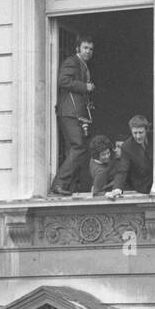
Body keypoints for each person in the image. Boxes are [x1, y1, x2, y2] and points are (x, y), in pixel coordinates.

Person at [49, 36, 95, 196]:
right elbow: (63, 81)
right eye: (85, 48)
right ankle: (59, 184)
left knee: (75, 149)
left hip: (75, 113)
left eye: (90, 49)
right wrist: (85, 87)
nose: (88, 51)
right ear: (78, 49)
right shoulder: (72, 62)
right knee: (78, 147)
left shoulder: (82, 65)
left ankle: (70, 187)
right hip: (69, 112)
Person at [107, 114, 153, 197]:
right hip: (143, 188)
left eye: (141, 132)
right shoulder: (127, 147)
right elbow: (122, 170)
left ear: (146, 130)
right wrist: (117, 189)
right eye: (135, 133)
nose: (138, 136)